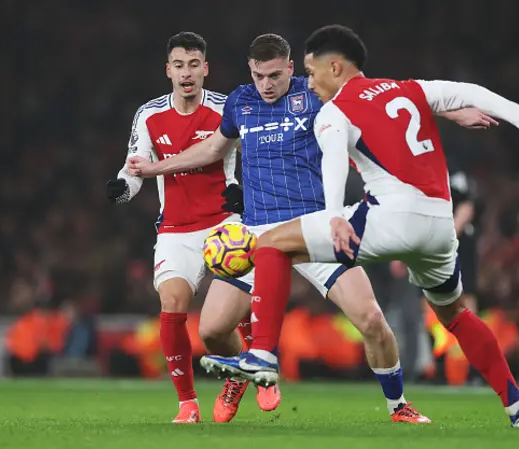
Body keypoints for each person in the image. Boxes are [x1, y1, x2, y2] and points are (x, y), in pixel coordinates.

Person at [198, 25, 519, 428]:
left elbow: (332, 162)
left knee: (272, 245)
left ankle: (262, 353)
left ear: (335, 67)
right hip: (438, 227)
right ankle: (518, 407)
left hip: (388, 216)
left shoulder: (333, 110)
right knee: (455, 316)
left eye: (311, 73)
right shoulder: (408, 88)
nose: (307, 83)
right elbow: (469, 91)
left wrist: (332, 216)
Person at [127, 33, 485, 424]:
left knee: (371, 320)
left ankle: (398, 405)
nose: (267, 84)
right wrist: (154, 168)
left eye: (275, 75)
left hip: (312, 230)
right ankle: (241, 377)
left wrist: (451, 111)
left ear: (291, 68)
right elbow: (214, 149)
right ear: (251, 72)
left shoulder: (314, 94)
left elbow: (380, 98)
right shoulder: (240, 103)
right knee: (211, 330)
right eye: (259, 76)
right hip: (259, 234)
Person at [106, 31, 245, 424]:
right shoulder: (149, 114)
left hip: (225, 223)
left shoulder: (225, 108)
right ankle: (188, 403)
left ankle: (250, 365)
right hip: (176, 229)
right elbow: (135, 167)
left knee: (223, 320)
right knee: (172, 305)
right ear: (168, 71)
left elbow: (240, 161)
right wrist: (123, 190)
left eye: (194, 65)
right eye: (179, 65)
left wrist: (237, 190)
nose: (187, 73)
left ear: (206, 69)